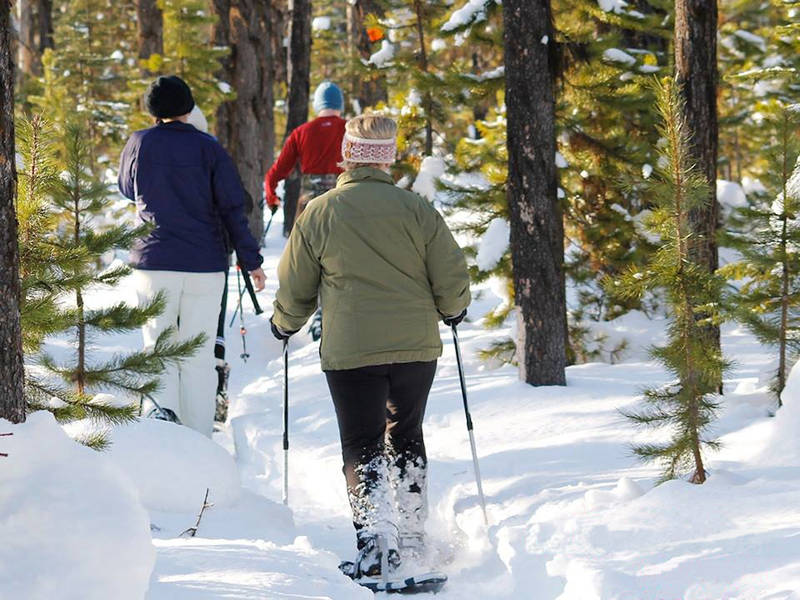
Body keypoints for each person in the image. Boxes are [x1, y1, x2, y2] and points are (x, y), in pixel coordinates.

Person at [269, 115, 470, 581]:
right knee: (406, 434)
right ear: (388, 156)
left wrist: (284, 326)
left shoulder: (319, 212)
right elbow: (451, 274)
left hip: (353, 350)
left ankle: (377, 546)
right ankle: (415, 537)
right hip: (416, 348)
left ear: (348, 153)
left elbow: (296, 288)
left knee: (362, 445)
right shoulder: (417, 210)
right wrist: (453, 310)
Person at [118, 75, 266, 437]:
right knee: (198, 356)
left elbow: (125, 187)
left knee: (159, 349)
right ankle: (198, 438)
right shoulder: (209, 148)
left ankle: (163, 434)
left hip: (154, 264)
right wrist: (252, 261)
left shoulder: (139, 143)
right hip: (205, 266)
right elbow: (233, 207)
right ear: (188, 107)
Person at [264, 80, 347, 235]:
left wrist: (271, 196)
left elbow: (276, 172)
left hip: (310, 202)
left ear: (317, 105)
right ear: (340, 104)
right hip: (343, 199)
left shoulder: (301, 132)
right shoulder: (351, 130)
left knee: (306, 250)